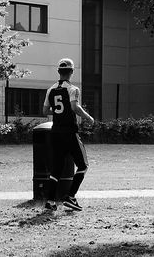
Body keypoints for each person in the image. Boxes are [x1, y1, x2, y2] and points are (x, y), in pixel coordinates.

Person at [42, 58, 94, 211]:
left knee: (56, 168)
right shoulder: (73, 89)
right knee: (83, 165)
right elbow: (75, 107)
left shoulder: (50, 89)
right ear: (71, 72)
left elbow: (45, 111)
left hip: (55, 133)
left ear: (59, 72)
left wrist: (59, 112)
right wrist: (89, 117)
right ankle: (70, 197)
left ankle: (50, 202)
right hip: (70, 133)